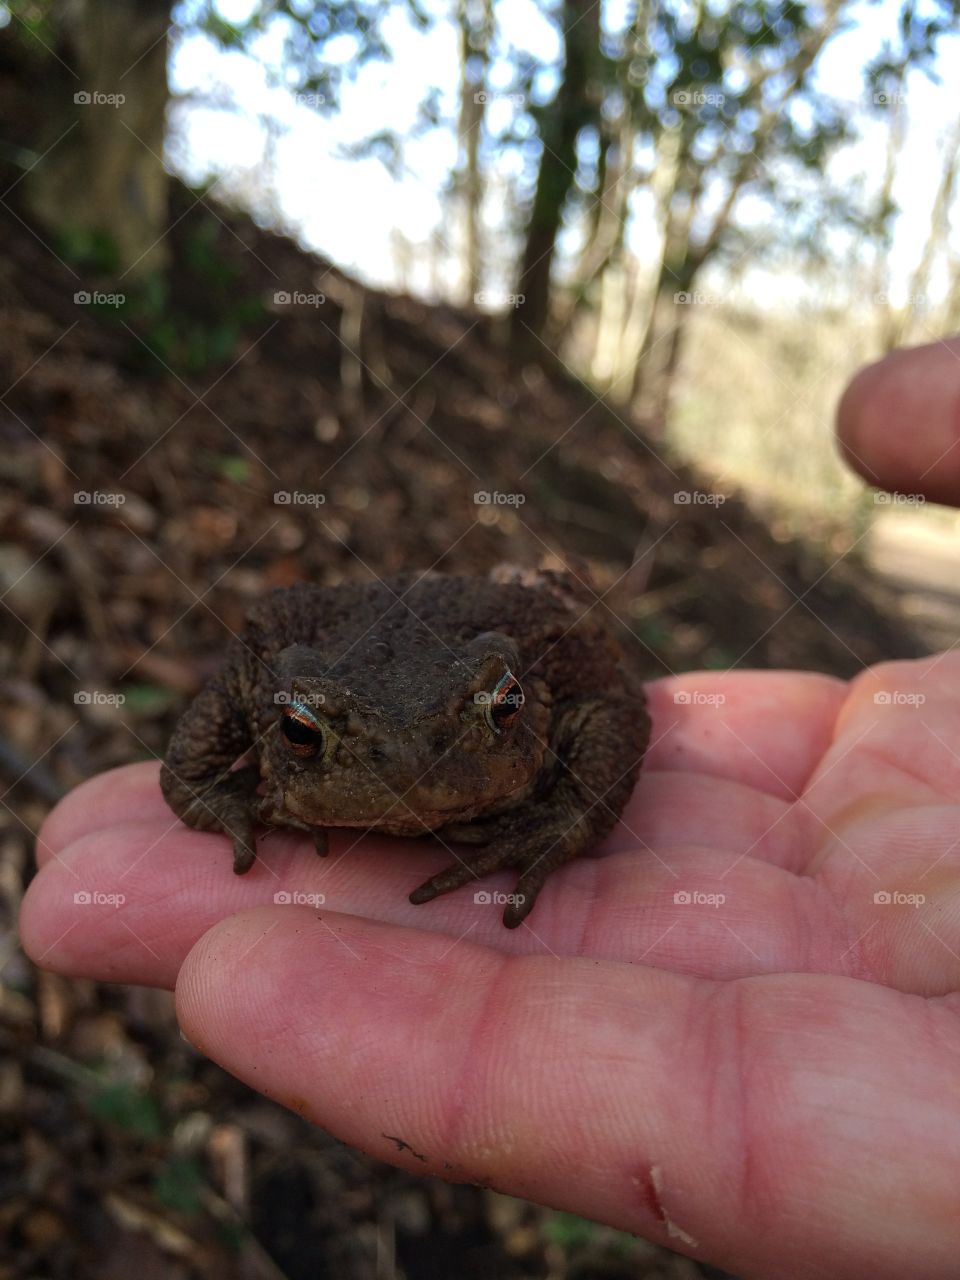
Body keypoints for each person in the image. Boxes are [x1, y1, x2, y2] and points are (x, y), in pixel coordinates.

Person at [20, 339, 960, 1279]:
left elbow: (616, 706)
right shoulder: (280, 663)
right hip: (338, 651)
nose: (409, 771)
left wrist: (562, 819)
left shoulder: (534, 665)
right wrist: (212, 789)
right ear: (283, 732)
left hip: (483, 648)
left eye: (494, 717)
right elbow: (201, 744)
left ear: (514, 708)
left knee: (492, 675)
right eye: (303, 735)